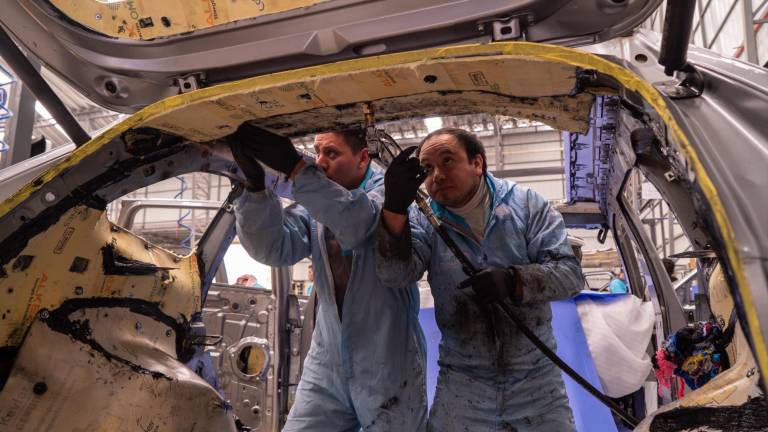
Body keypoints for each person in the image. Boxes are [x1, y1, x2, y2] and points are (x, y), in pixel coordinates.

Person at [377, 127, 583, 431]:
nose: (437, 175)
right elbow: (395, 275)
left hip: (536, 384)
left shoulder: (526, 205)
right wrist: (393, 210)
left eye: (447, 161)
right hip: (462, 385)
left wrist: (515, 280)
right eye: (428, 168)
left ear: (477, 163)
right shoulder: (421, 219)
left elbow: (570, 274)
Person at [228, 124, 427, 432]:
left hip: (388, 361)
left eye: (332, 153)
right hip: (328, 363)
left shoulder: (393, 194)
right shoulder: (317, 201)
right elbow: (273, 248)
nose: (320, 162)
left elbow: (355, 225)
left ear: (363, 159)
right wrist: (255, 190)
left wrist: (296, 169)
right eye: (318, 152)